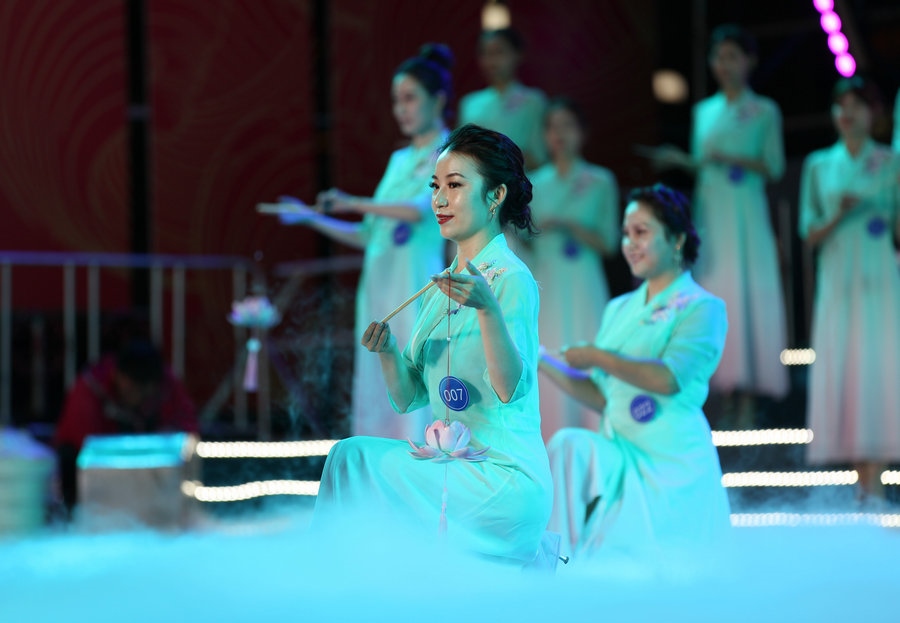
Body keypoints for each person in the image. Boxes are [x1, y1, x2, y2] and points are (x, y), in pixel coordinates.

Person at [313, 124, 552, 564]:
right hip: (453, 469)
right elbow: (408, 398)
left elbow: (509, 389)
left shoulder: (511, 279)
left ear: (496, 196)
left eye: (455, 186)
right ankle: (345, 577)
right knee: (348, 456)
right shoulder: (440, 287)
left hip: (502, 475)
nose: (439, 200)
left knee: (352, 460)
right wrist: (388, 352)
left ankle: (328, 576)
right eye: (435, 186)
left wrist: (488, 311)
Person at [540, 184, 730, 561]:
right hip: (620, 451)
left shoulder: (703, 307)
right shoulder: (619, 308)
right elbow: (602, 396)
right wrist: (540, 358)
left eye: (641, 232)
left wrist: (598, 356)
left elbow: (669, 378)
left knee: (667, 572)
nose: (630, 244)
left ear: (677, 239)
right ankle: (553, 564)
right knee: (567, 445)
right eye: (626, 234)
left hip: (670, 460)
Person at [278, 44, 452, 440]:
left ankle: (423, 457)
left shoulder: (449, 153)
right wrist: (310, 216)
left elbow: (418, 210)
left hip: (415, 284)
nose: (401, 109)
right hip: (379, 287)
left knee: (413, 367)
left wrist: (353, 202)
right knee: (377, 373)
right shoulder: (399, 160)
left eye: (410, 98)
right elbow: (368, 235)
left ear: (438, 100)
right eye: (396, 101)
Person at [650, 24, 788, 427]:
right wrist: (680, 161)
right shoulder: (704, 111)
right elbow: (703, 164)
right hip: (713, 213)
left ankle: (750, 397)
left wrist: (732, 157)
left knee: (748, 294)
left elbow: (774, 166)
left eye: (732, 56)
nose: (724, 65)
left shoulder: (764, 111)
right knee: (717, 294)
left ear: (749, 61)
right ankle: (723, 393)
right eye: (718, 57)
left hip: (746, 214)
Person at [799, 76, 900, 504]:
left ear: (874, 113)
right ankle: (865, 486)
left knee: (879, 371)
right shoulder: (819, 165)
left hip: (880, 281)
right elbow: (809, 233)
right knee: (847, 371)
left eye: (857, 105)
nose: (848, 113)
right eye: (841, 105)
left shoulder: (892, 163)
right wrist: (838, 214)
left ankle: (874, 484)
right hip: (839, 282)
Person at [521, 97, 620, 441]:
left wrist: (568, 225)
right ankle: (551, 437)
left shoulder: (600, 180)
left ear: (582, 132)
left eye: (567, 126)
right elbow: (523, 241)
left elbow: (609, 242)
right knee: (549, 350)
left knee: (586, 345)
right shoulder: (533, 183)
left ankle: (595, 439)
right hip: (546, 279)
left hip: (583, 280)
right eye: (552, 127)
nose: (559, 134)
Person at [53, 339, 198, 511]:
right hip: (99, 476)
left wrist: (166, 442)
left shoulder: (165, 383)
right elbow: (85, 446)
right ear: (118, 376)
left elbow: (188, 427)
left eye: (145, 393)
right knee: (69, 456)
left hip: (151, 476)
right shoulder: (90, 390)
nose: (139, 397)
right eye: (133, 390)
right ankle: (73, 514)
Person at [458, 28, 547, 170]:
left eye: (499, 52)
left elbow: (539, 155)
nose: (492, 61)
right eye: (486, 53)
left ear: (517, 54)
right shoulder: (470, 104)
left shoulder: (533, 101)